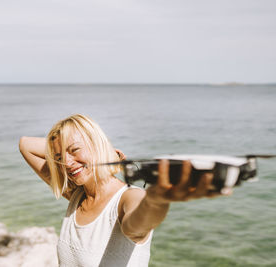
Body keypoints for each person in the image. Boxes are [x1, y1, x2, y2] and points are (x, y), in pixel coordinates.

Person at [19, 114, 228, 267]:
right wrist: (90, 151)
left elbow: (138, 226)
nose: (66, 162)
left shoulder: (129, 197)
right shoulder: (76, 195)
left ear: (97, 145)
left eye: (74, 150)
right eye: (58, 157)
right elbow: (25, 144)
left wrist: (156, 200)